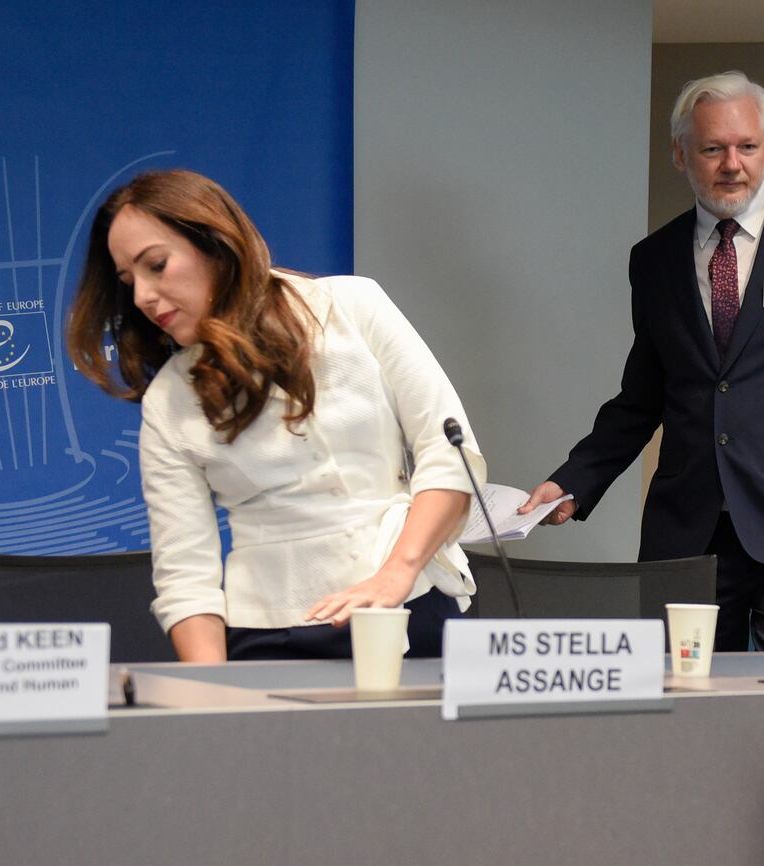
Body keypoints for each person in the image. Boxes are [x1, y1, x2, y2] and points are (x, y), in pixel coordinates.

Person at [519, 71, 764, 651]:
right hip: (688, 532)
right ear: (681, 153)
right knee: (686, 707)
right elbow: (644, 396)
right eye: (713, 148)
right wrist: (574, 481)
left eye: (747, 147)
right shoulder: (654, 259)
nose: (733, 164)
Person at [66, 169, 484, 662]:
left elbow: (448, 454)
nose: (141, 296)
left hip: (413, 604)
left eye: (156, 264)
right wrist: (215, 697)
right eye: (128, 280)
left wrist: (397, 572)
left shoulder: (354, 306)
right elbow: (187, 577)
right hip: (272, 639)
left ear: (217, 243)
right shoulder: (169, 401)